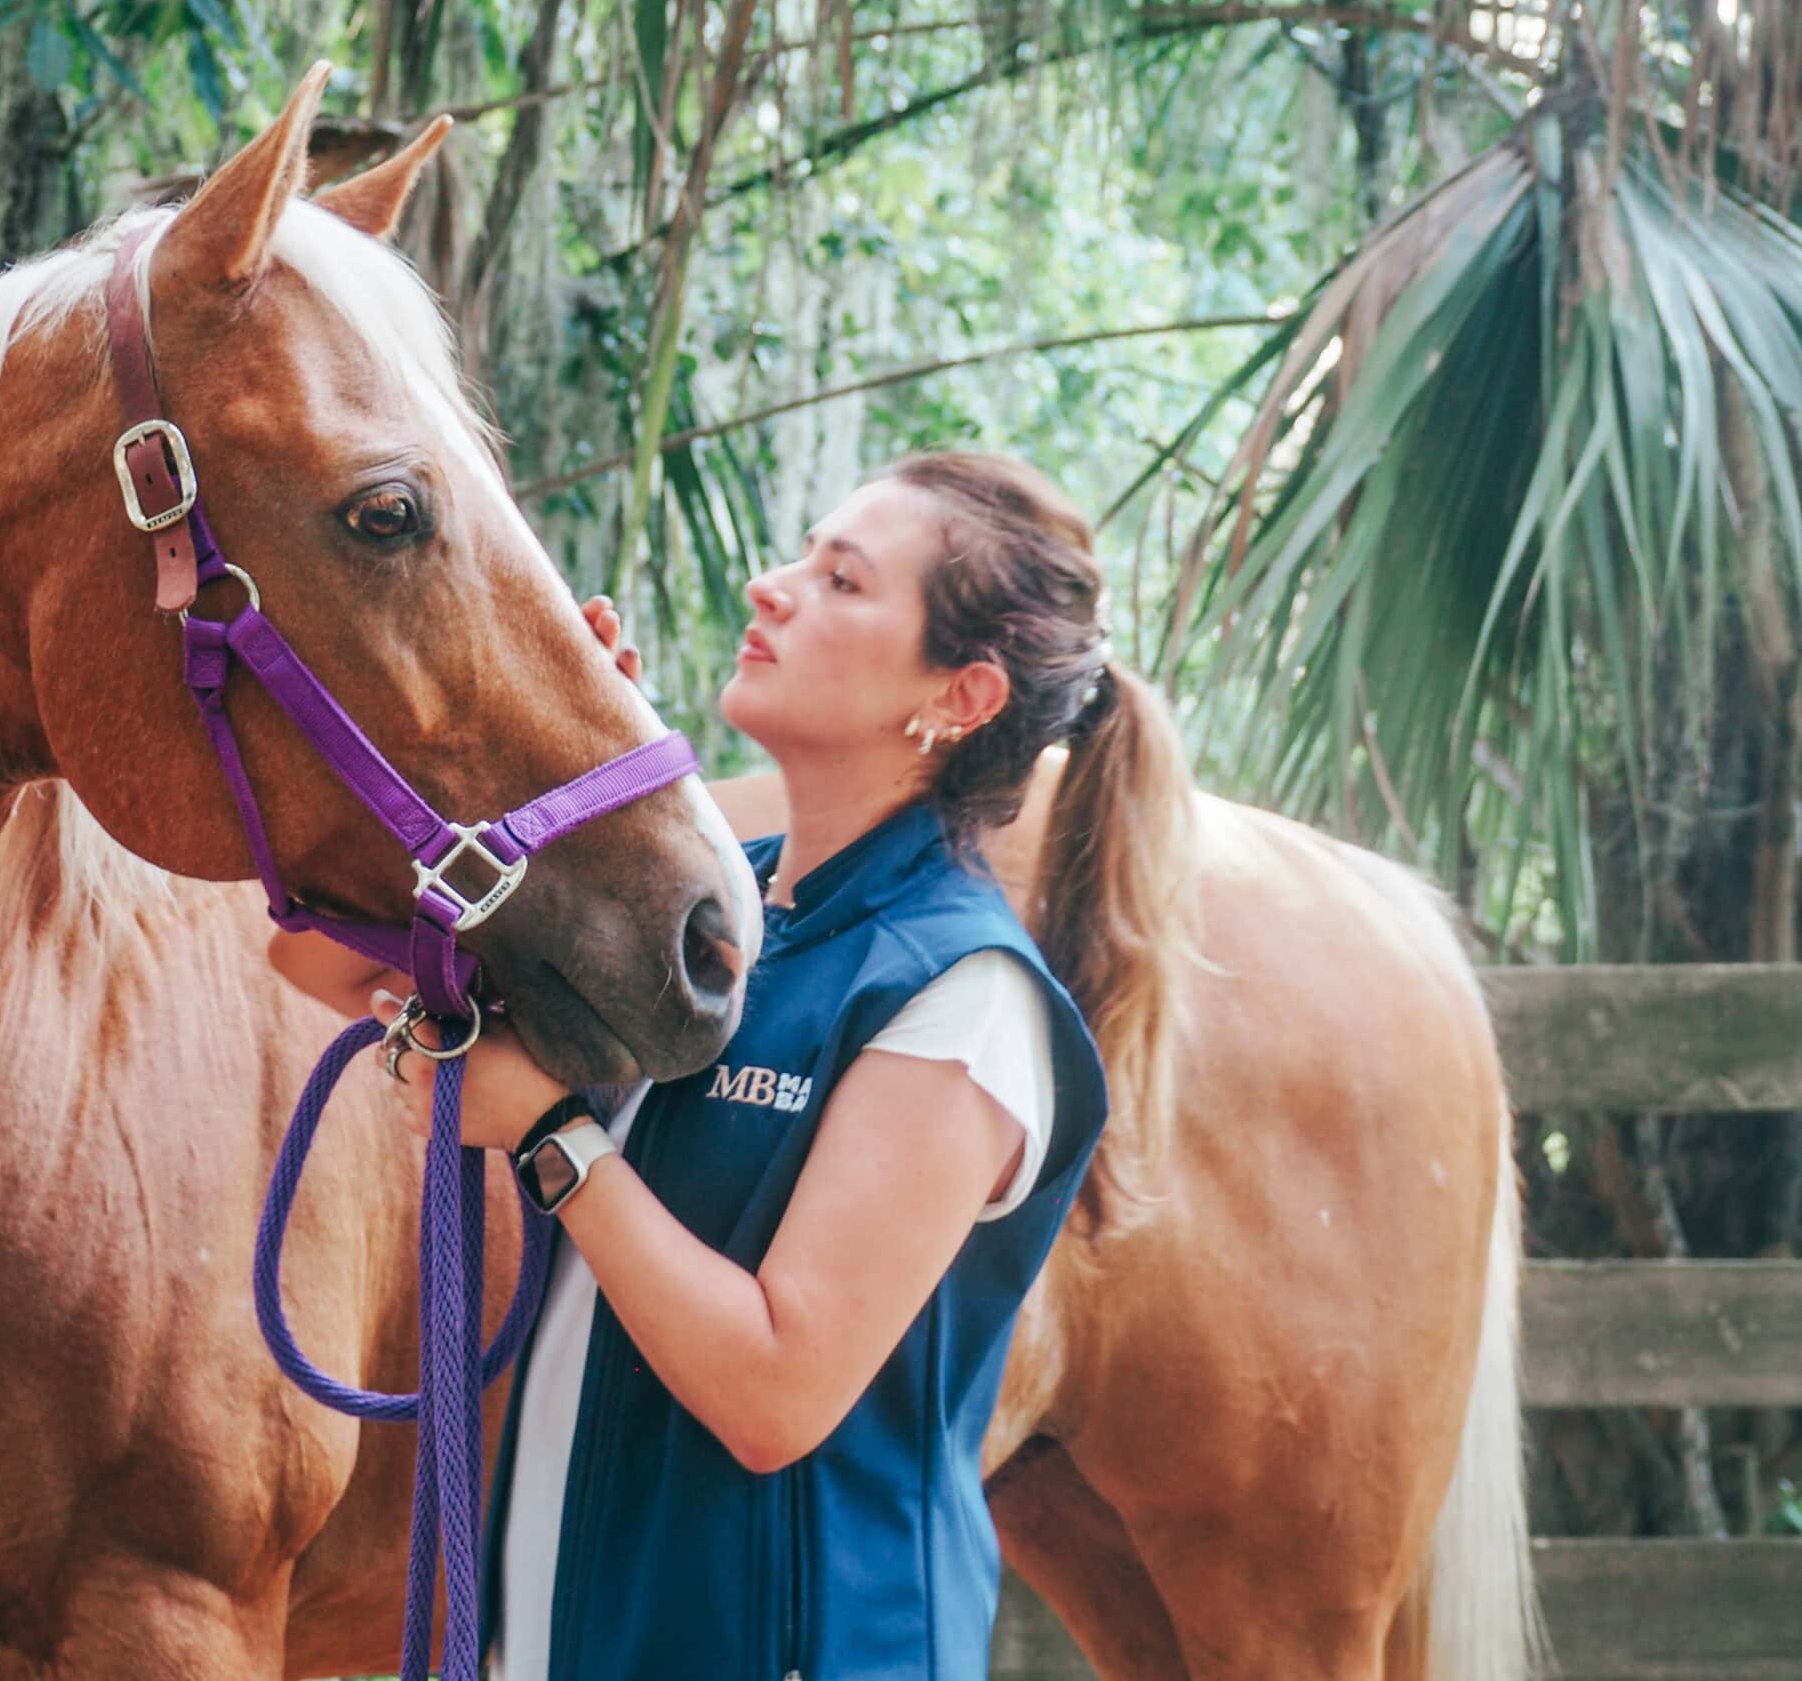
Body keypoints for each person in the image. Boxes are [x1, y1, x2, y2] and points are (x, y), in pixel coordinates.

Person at [271, 450, 1192, 1681]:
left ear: (960, 697)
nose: (773, 588)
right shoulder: (723, 926)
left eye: (841, 580)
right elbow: (314, 960)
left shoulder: (959, 999)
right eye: (803, 556)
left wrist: (553, 1139)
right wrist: (550, 771)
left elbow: (774, 1395)